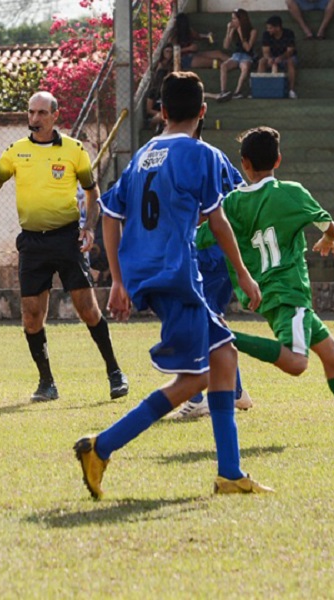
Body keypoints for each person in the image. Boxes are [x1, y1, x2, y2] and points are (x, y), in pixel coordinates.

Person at [74, 71, 273, 499]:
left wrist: (118, 281)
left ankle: (230, 473)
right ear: (203, 112)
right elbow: (217, 220)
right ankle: (100, 446)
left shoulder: (144, 153)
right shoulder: (199, 155)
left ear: (161, 112)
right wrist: (242, 272)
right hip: (177, 275)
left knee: (224, 357)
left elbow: (111, 214)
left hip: (149, 272)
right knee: (193, 378)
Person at [221, 126, 334, 442]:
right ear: (279, 159)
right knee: (297, 363)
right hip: (289, 293)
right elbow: (330, 227)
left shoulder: (231, 203)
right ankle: (219, 337)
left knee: (332, 352)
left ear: (244, 163)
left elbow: (206, 236)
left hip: (265, 292)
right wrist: (328, 241)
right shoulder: (291, 192)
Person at [0, 91, 129, 403]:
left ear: (55, 116)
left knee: (87, 309)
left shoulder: (73, 150)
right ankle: (46, 383)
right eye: (31, 113)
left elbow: (93, 194)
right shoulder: (16, 151)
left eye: (41, 113)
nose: (35, 118)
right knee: (31, 315)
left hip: (67, 239)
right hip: (32, 243)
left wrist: (88, 227)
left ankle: (115, 372)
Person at [166, 118, 254, 420]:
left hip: (206, 255)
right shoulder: (217, 156)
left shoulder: (187, 159)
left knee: (196, 323)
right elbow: (241, 196)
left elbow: (208, 210)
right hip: (219, 255)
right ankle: (236, 390)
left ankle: (197, 397)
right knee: (210, 321)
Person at [217, 9, 258, 101]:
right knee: (223, 66)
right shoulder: (233, 30)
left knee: (245, 67)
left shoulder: (252, 31)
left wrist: (241, 33)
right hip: (236, 55)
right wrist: (229, 31)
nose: (232, 21)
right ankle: (223, 91)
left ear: (241, 19)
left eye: (234, 19)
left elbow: (248, 48)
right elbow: (226, 46)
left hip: (247, 56)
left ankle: (237, 91)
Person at [257, 15, 299, 99]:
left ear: (278, 27)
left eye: (270, 28)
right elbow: (265, 51)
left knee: (290, 62)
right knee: (262, 61)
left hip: (286, 57)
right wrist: (269, 58)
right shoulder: (266, 34)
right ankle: (259, 88)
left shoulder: (288, 33)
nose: (268, 30)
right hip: (272, 57)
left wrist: (280, 58)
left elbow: (290, 51)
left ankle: (291, 90)